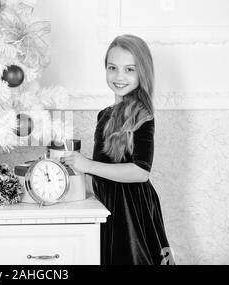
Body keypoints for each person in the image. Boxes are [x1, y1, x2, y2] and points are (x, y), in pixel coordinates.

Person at [60, 34, 175, 265]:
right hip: (108, 204)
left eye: (129, 70)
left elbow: (141, 172)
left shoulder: (143, 115)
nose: (119, 76)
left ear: (142, 72)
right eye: (112, 67)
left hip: (131, 208)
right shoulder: (104, 115)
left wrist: (87, 165)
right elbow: (102, 170)